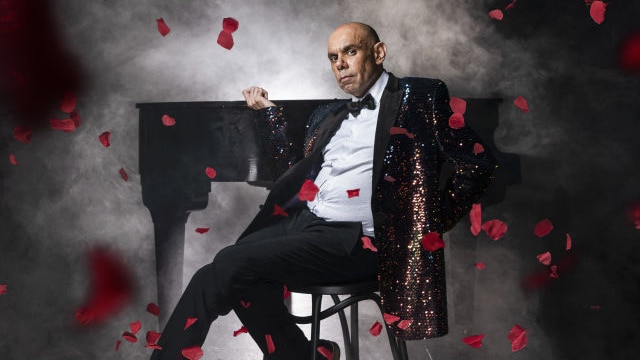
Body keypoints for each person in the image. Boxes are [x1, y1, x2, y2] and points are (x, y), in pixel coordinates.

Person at [150, 22, 497, 360]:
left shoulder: (419, 97)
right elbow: (294, 175)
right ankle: (302, 354)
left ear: (378, 52)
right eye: (333, 57)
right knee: (216, 272)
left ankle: (297, 354)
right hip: (309, 228)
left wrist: (424, 225)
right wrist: (270, 117)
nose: (341, 64)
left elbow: (478, 164)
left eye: (350, 51)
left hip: (360, 243)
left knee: (230, 262)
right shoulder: (328, 115)